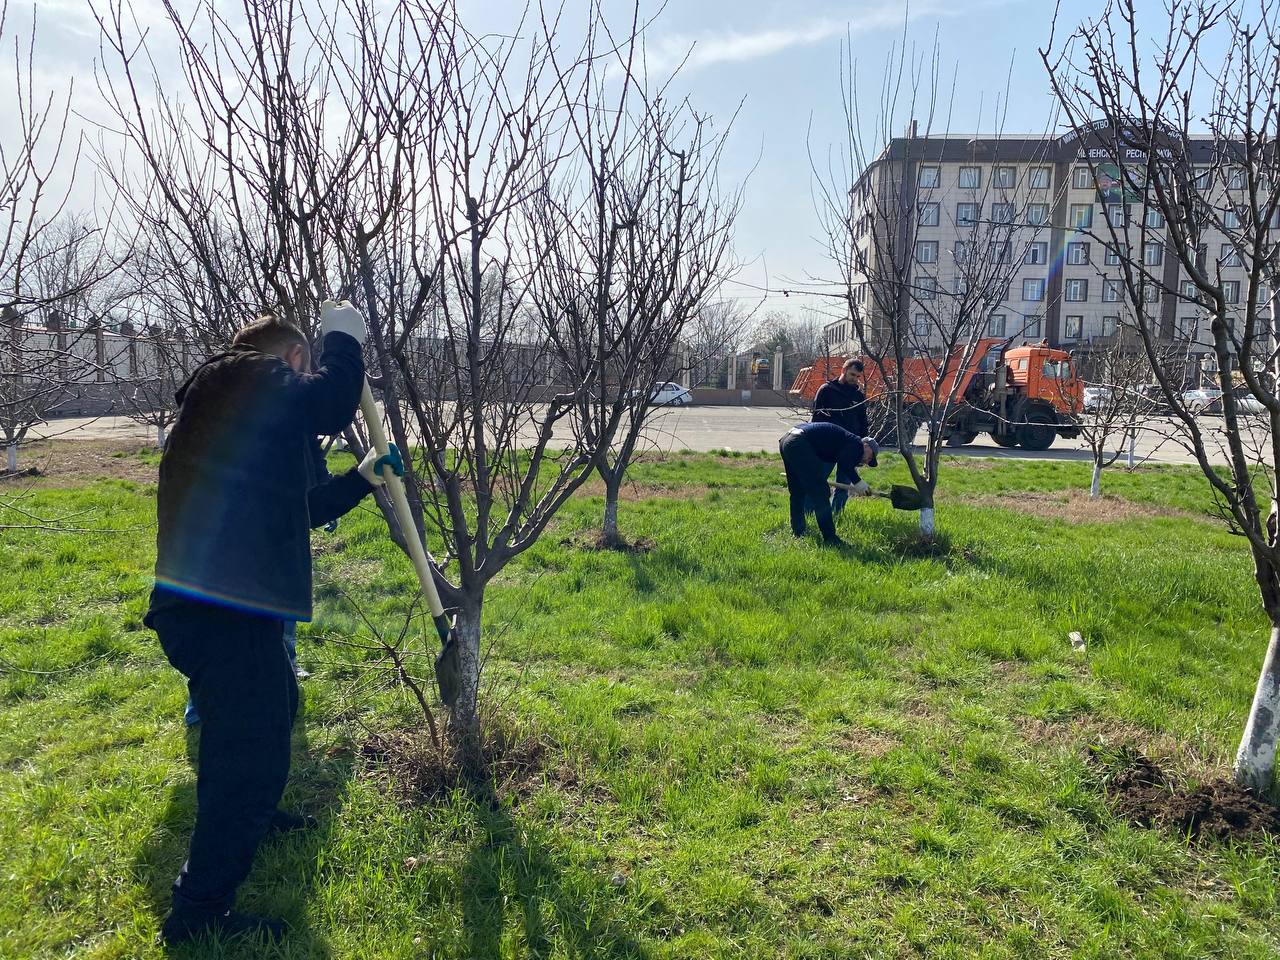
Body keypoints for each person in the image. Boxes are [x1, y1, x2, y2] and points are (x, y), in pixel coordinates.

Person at [144, 301, 403, 945]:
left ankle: (255, 816)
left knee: (273, 709)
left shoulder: (237, 414)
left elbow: (305, 508)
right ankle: (199, 911)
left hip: (224, 607)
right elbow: (331, 403)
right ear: (293, 359)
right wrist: (345, 334)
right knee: (244, 757)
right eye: (305, 367)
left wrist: (363, 479)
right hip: (221, 612)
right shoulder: (241, 376)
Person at [780, 421, 879, 547]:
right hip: (799, 442)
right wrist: (858, 482)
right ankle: (830, 538)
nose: (866, 461)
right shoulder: (856, 444)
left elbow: (844, 461)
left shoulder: (848, 441)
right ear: (866, 446)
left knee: (797, 491)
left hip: (787, 440)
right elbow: (844, 462)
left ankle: (798, 531)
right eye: (870, 458)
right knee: (821, 493)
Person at [811, 358, 868, 515]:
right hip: (827, 447)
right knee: (818, 481)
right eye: (852, 374)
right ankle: (808, 513)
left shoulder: (858, 396)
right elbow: (816, 419)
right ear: (843, 370)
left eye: (858, 376)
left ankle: (837, 514)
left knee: (843, 485)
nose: (855, 379)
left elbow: (863, 423)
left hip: (849, 449)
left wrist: (862, 447)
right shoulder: (826, 390)